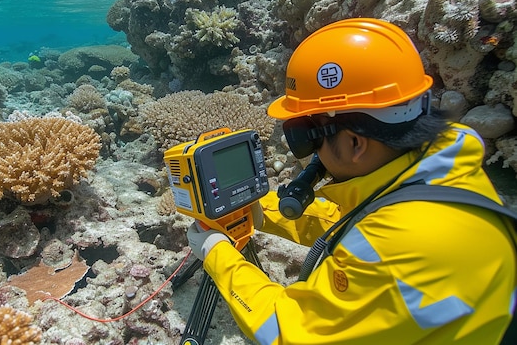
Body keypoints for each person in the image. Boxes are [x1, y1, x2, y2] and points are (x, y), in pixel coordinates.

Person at [187, 18, 517, 344]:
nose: (307, 154)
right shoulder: (442, 168)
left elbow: (287, 332)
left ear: (356, 143)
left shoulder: (401, 245)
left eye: (303, 138)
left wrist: (218, 253)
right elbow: (358, 224)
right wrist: (265, 214)